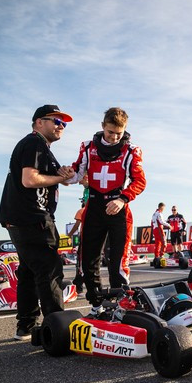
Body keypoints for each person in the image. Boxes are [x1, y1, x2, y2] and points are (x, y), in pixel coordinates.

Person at [0, 106, 74, 338]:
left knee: (30, 271)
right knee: (50, 269)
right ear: (39, 122)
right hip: (32, 218)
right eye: (56, 121)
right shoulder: (34, 143)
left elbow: (53, 179)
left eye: (64, 123)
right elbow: (30, 180)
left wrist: (64, 175)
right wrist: (60, 177)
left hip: (24, 217)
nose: (61, 126)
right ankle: (57, 329)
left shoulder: (43, 148)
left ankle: (26, 325)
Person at [67, 107, 146, 315]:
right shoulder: (87, 147)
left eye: (119, 133)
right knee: (88, 261)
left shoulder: (131, 150)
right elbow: (75, 174)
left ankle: (121, 308)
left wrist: (122, 199)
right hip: (93, 208)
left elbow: (140, 181)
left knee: (118, 263)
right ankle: (95, 306)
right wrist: (65, 174)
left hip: (118, 210)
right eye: (110, 132)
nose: (114, 137)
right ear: (103, 127)